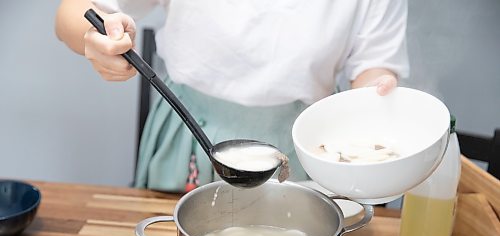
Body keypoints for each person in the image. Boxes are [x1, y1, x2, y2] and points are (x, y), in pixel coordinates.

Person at [55, 0, 409, 192]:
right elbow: (71, 12)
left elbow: (374, 66)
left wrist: (375, 93)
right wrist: (96, 37)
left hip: (305, 147)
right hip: (189, 133)